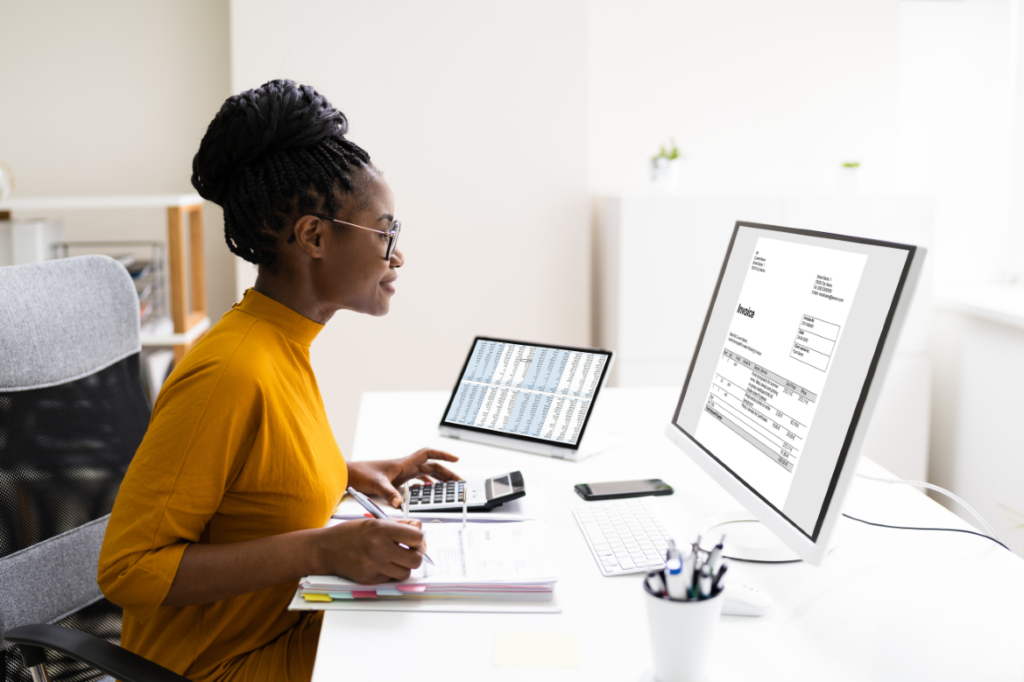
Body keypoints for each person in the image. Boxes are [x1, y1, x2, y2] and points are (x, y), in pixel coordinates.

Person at [97, 79, 459, 682]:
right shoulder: (231, 370)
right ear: (314, 237)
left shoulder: (282, 341)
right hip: (219, 667)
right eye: (385, 233)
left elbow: (251, 481)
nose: (398, 257)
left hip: (285, 628)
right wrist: (319, 549)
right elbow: (128, 570)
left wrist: (345, 472)